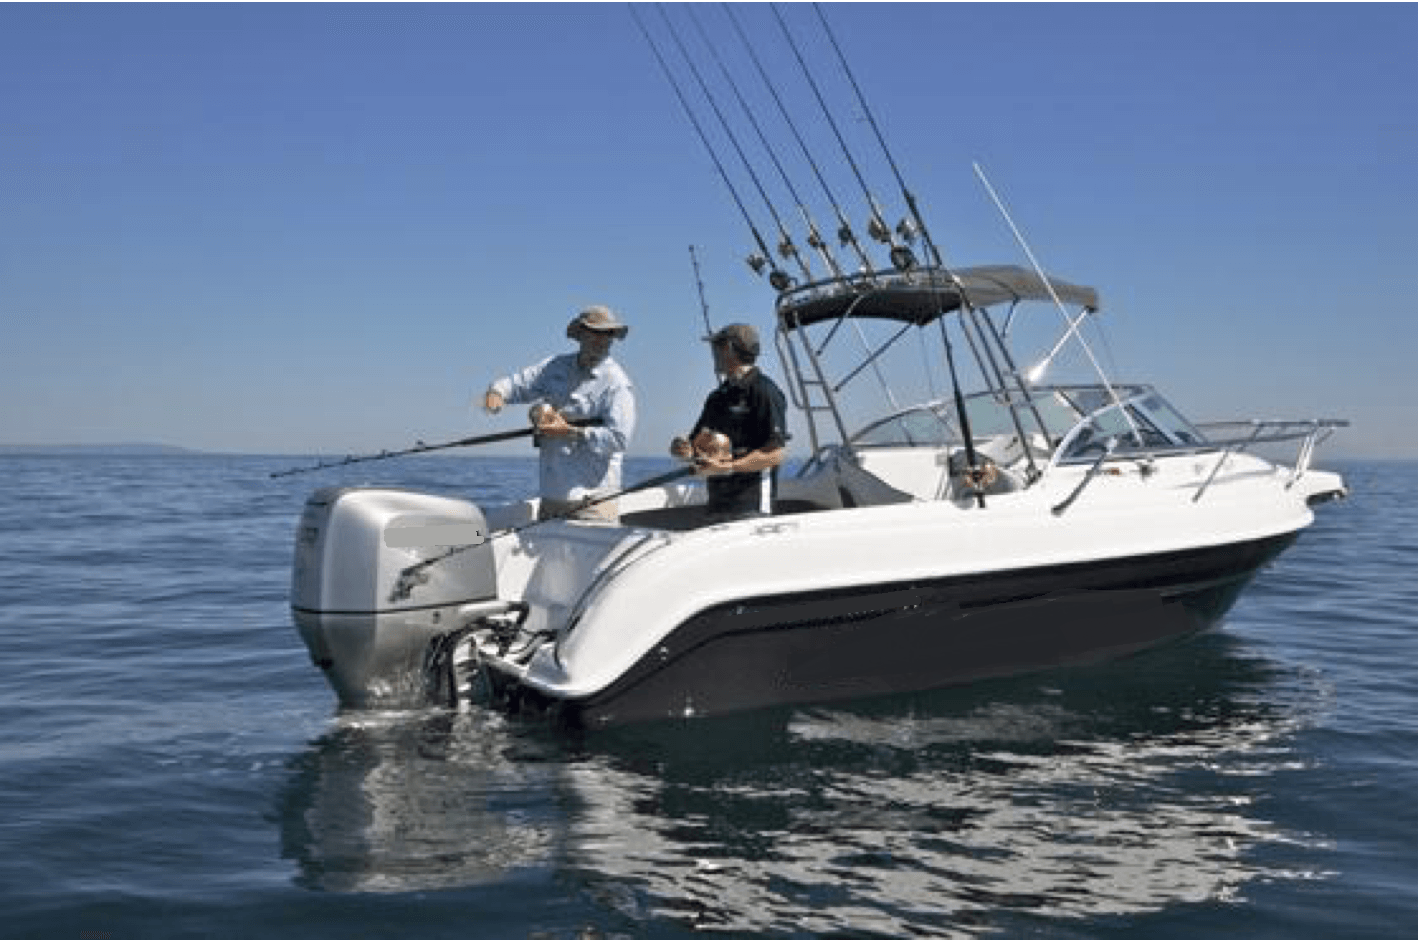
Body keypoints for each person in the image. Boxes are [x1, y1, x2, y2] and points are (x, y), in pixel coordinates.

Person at [484, 305, 636, 522]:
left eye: (607, 333)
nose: (601, 339)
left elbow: (620, 438)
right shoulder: (555, 366)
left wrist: (569, 432)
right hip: (552, 496)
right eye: (595, 332)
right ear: (580, 334)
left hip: (593, 501)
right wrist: (497, 394)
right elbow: (516, 384)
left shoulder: (617, 384)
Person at [670, 322, 788, 522]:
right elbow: (698, 444)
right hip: (717, 507)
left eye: (717, 346)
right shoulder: (717, 397)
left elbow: (775, 454)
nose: (713, 353)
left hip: (752, 507)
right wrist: (685, 450)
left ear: (730, 348)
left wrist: (729, 467)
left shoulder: (765, 392)